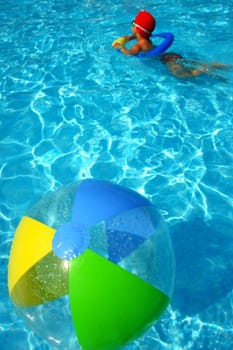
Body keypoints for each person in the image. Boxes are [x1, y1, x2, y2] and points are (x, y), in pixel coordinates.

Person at [113, 10, 231, 79]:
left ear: (137, 29)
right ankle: (216, 65)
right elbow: (143, 37)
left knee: (185, 75)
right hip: (171, 55)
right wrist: (132, 36)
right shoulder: (146, 39)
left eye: (133, 23)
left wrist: (119, 46)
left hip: (167, 61)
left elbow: (128, 53)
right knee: (192, 63)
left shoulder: (137, 46)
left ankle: (209, 69)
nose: (131, 25)